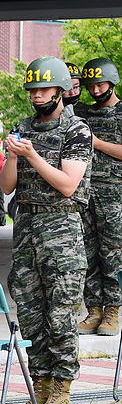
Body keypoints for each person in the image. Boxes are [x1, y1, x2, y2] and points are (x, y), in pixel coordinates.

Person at [0, 56, 91, 404]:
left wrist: (32, 155)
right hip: (26, 227)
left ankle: (62, 389)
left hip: (62, 229)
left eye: (44, 89)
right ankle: (39, 385)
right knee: (31, 311)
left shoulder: (77, 130)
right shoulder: (24, 126)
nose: (37, 96)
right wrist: (11, 156)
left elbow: (68, 184)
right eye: (33, 90)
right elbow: (8, 186)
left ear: (61, 91)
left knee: (61, 313)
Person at [73, 57, 122, 337]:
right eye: (90, 85)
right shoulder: (83, 114)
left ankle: (113, 310)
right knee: (88, 253)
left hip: (114, 195)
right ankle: (93, 309)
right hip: (85, 193)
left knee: (112, 253)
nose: (95, 90)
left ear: (112, 82)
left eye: (100, 84)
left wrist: (99, 143)